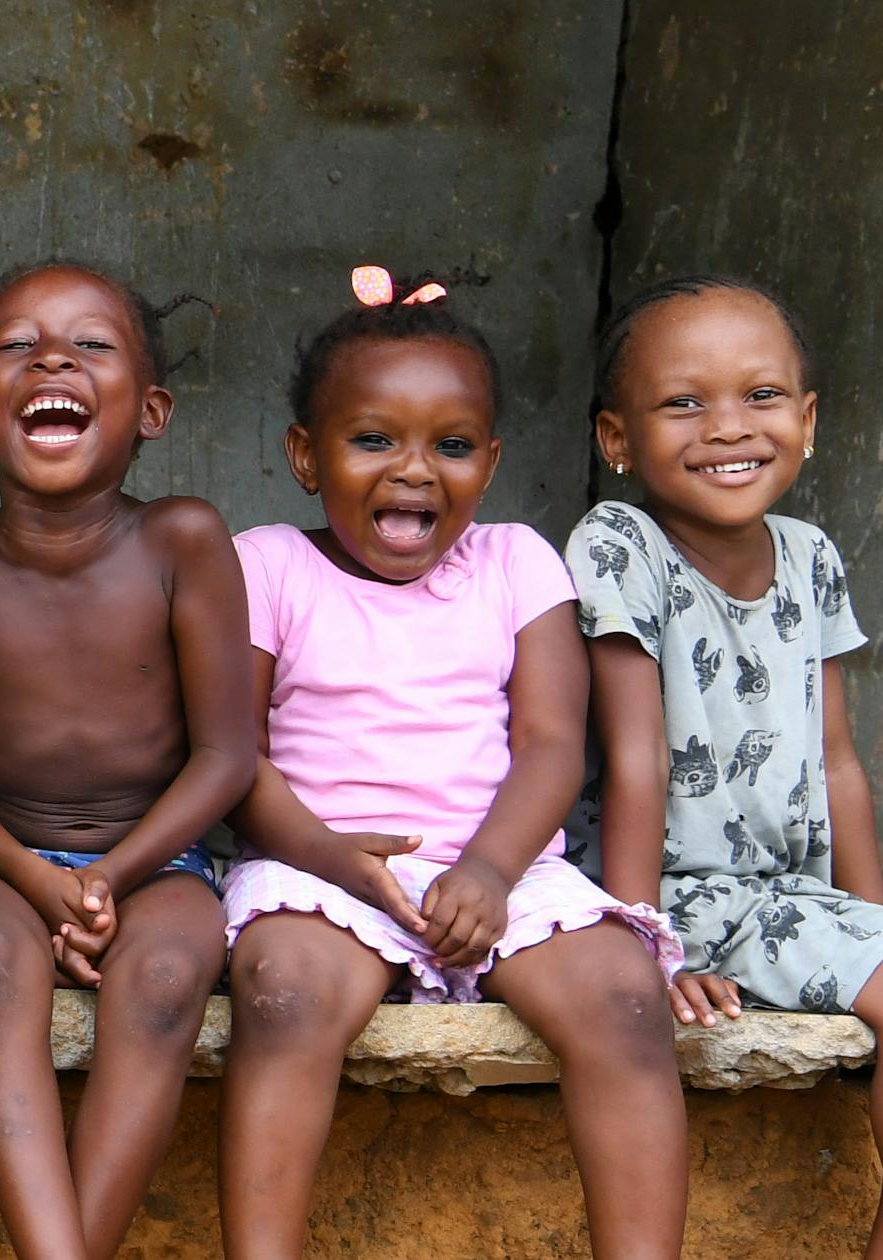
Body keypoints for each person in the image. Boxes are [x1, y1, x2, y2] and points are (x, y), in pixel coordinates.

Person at [216, 275, 687, 1260]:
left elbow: (554, 744)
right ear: (306, 454)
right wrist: (338, 860)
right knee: (286, 994)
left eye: (453, 445)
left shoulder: (518, 563)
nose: (415, 470)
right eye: (374, 439)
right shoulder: (264, 566)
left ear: (491, 461)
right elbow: (234, 753)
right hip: (316, 864)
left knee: (625, 998)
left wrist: (488, 871)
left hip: (504, 863)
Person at [576, 274, 883, 1260]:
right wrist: (645, 944)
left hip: (788, 899)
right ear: (616, 438)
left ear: (807, 419)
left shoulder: (811, 556)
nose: (726, 428)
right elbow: (636, 760)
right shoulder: (620, 545)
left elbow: (837, 761)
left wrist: (882, 928)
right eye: (683, 402)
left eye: (761, 397)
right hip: (681, 899)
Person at [0, 262, 256, 1260]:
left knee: (170, 973)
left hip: (158, 864)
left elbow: (227, 757)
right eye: (18, 345)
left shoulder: (182, 538)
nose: (52, 357)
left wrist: (108, 877)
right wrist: (35, 881)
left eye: (90, 344)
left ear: (151, 410)